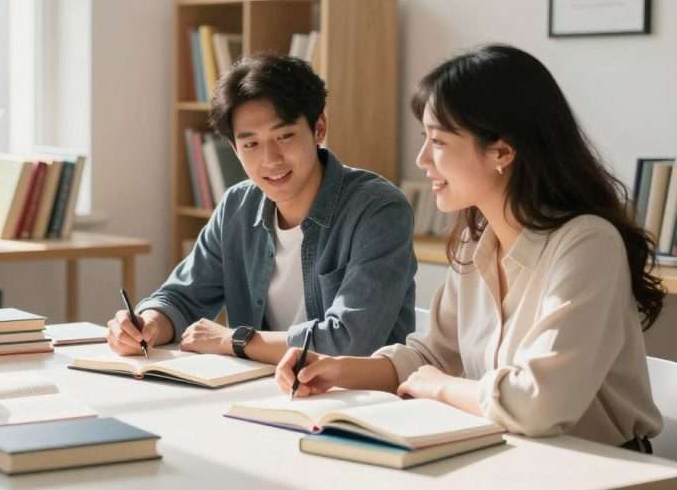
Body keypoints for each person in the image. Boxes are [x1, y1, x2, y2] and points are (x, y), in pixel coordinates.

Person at [275, 44, 663, 452]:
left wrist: (440, 388)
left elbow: (539, 404)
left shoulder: (587, 244)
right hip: (510, 459)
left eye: (438, 142)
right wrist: (339, 369)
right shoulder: (475, 239)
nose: (423, 159)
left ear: (502, 151)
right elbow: (431, 355)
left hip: (603, 471)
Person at [108, 54, 417, 364]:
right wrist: (147, 324)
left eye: (284, 136)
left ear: (319, 128)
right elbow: (181, 298)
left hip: (361, 402)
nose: (270, 159)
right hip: (260, 393)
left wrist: (236, 340)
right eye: (251, 144)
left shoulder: (378, 210)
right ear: (234, 149)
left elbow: (352, 340)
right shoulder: (237, 207)